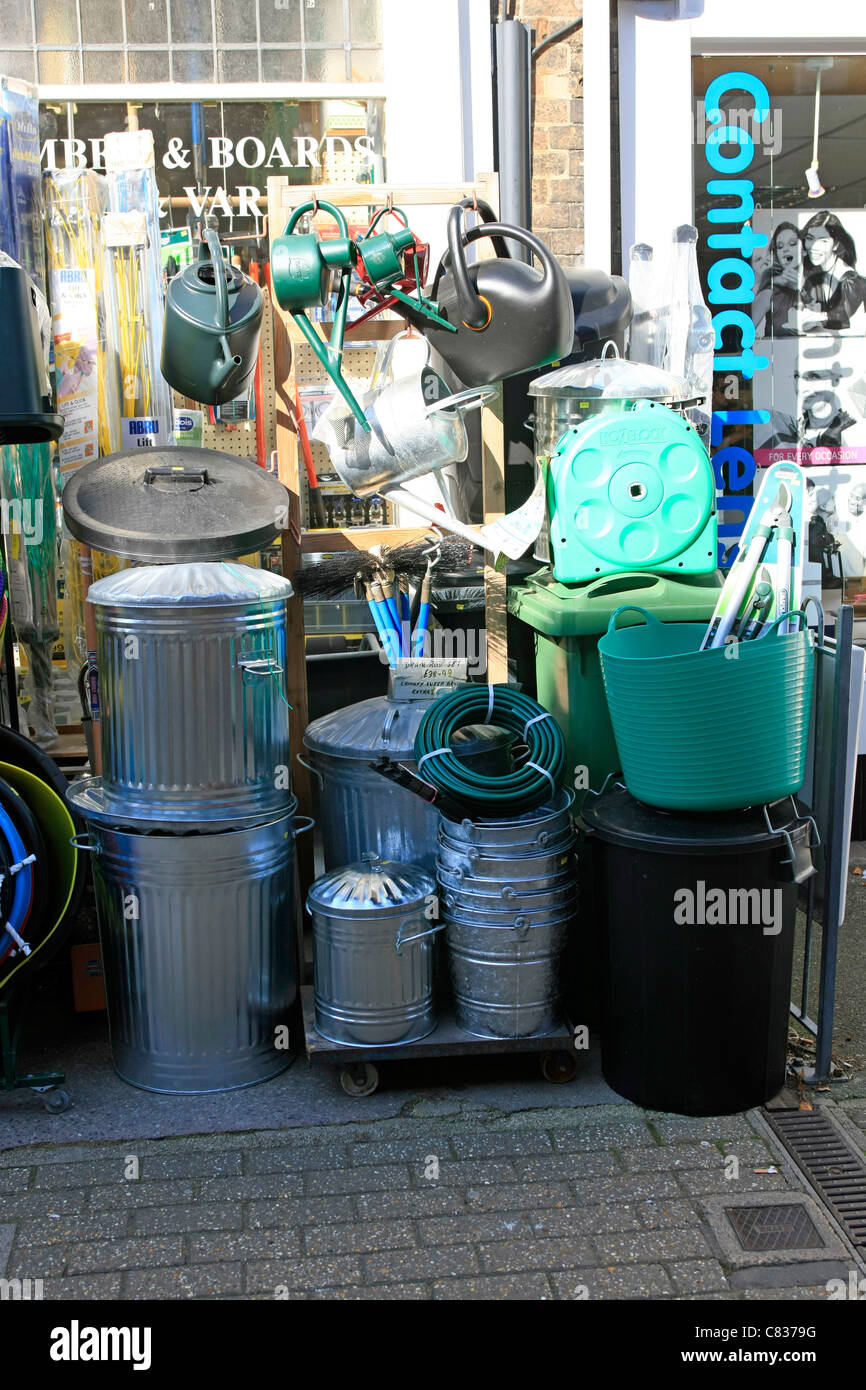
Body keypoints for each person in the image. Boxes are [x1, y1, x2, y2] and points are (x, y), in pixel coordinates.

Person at [800, 212, 866, 332]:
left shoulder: (852, 281)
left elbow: (839, 321)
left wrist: (814, 319)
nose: (814, 246)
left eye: (823, 241)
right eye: (810, 239)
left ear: (835, 244)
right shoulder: (814, 272)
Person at [751, 221, 802, 336]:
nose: (785, 249)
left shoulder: (815, 287)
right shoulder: (769, 293)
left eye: (792, 243)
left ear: (803, 250)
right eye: (780, 246)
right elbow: (744, 333)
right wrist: (757, 279)